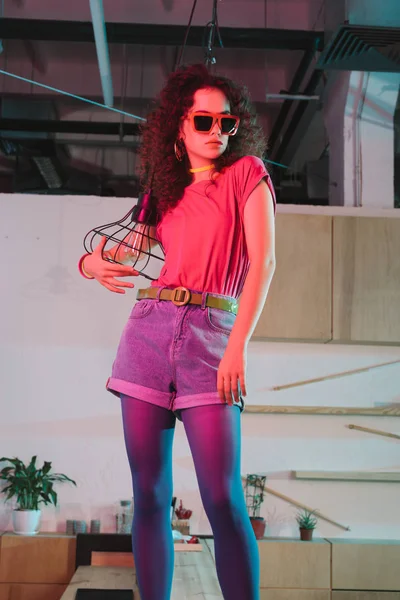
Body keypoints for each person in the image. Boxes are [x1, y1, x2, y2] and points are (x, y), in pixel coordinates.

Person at [79, 63, 276, 600]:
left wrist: (237, 348)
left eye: (227, 123)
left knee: (221, 495)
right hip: (147, 334)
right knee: (148, 494)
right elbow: (112, 253)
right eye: (204, 120)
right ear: (180, 126)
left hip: (212, 337)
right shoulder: (162, 194)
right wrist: (88, 266)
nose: (217, 132)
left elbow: (264, 264)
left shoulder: (247, 174)